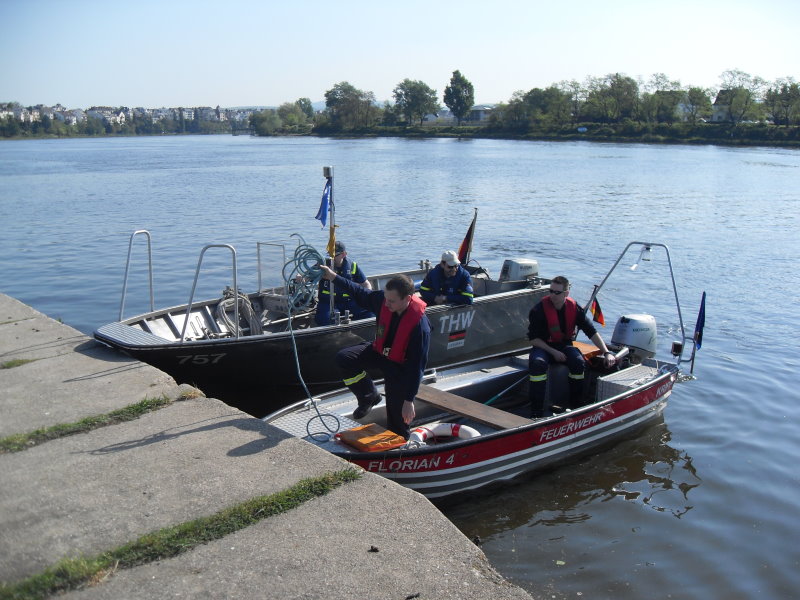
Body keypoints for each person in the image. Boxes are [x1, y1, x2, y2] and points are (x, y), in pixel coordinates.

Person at [319, 265, 431, 439]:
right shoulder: (383, 300)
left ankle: (398, 451)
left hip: (400, 369)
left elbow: (417, 367)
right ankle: (369, 396)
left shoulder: (420, 327)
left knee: (398, 420)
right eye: (386, 299)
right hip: (380, 352)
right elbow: (358, 291)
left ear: (408, 298)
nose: (386, 304)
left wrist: (409, 400)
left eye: (392, 301)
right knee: (344, 358)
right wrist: (333, 277)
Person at [527, 276, 616, 418]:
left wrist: (606, 352)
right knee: (537, 364)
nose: (553, 295)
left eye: (557, 292)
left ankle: (576, 406)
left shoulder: (574, 309)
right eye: (551, 291)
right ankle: (536, 411)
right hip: (543, 348)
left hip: (564, 346)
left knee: (578, 362)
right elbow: (533, 339)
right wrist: (553, 352)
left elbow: (591, 332)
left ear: (566, 293)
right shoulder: (538, 310)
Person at [315, 241, 374, 326]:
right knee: (324, 320)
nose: (332, 258)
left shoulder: (352, 265)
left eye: (335, 255)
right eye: (329, 254)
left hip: (350, 301)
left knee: (370, 314)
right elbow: (307, 275)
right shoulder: (323, 265)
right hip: (328, 302)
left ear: (344, 254)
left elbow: (365, 284)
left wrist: (367, 297)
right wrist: (301, 277)